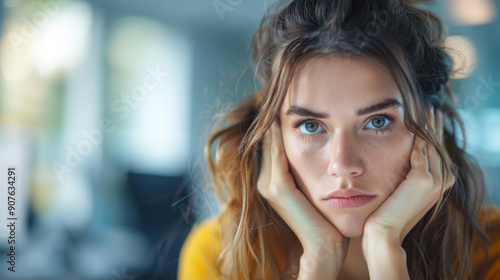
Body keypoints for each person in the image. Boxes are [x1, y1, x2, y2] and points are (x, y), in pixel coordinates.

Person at [178, 0, 500, 279]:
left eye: (377, 122)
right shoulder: (219, 256)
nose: (342, 166)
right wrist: (319, 259)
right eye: (310, 126)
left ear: (430, 129)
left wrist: (386, 249)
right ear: (273, 136)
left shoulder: (490, 248)